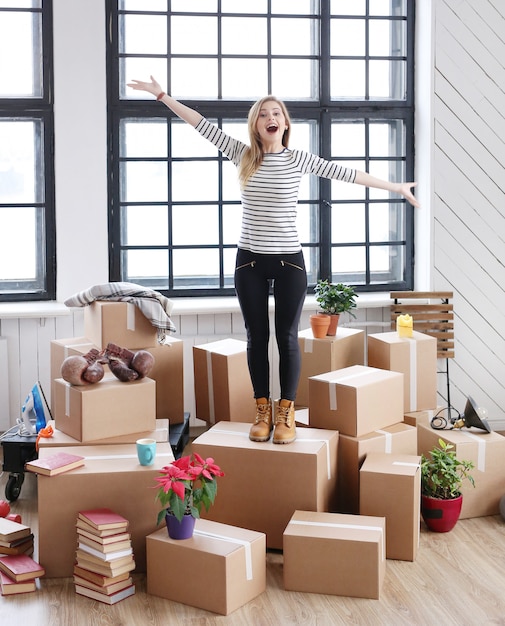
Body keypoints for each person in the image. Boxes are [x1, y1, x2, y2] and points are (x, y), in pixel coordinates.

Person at [128, 76, 420, 445]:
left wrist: (396, 188)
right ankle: (262, 411)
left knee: (286, 338)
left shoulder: (298, 158)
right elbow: (200, 124)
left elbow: (349, 174)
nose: (270, 117)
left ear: (284, 123)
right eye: (263, 113)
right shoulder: (244, 155)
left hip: (289, 264)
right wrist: (162, 96)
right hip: (249, 261)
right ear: (256, 124)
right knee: (256, 337)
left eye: (276, 113)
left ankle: (287, 413)